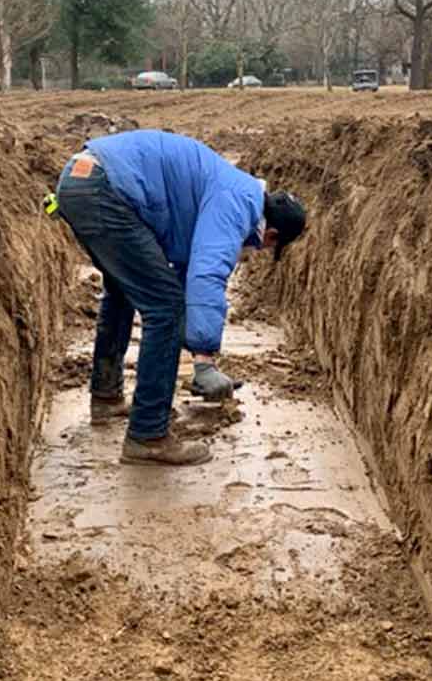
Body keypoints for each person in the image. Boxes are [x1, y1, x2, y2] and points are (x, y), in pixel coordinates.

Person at [53, 130, 307, 466]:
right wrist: (204, 359)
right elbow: (206, 276)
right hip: (107, 189)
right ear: (271, 235)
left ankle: (106, 396)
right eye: (268, 247)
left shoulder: (228, 187)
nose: (257, 250)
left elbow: (185, 274)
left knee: (123, 290)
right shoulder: (237, 203)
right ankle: (148, 435)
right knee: (165, 309)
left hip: (82, 178)